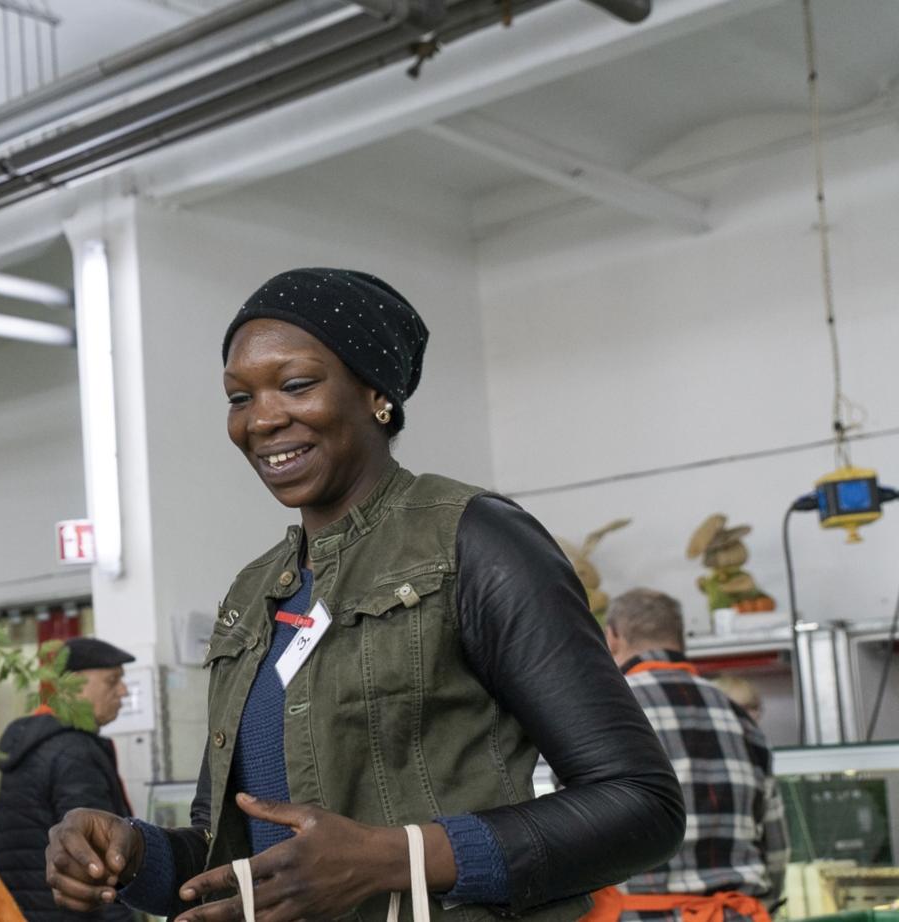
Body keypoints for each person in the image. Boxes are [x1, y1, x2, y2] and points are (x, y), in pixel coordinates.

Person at [44, 268, 685, 922]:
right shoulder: (254, 593)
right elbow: (235, 854)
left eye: (296, 384)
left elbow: (640, 804)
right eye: (239, 397)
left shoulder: (474, 540)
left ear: (377, 392)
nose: (262, 419)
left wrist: (393, 859)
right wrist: (131, 855)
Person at [595, 589, 788, 922]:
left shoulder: (601, 711)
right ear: (680, 638)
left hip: (635, 915)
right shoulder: (740, 717)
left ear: (612, 637)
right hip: (732, 915)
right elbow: (776, 848)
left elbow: (575, 839)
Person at [0, 636, 137, 922]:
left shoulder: (35, 743)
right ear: (73, 685)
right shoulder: (74, 752)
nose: (123, 691)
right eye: (112, 681)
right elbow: (99, 861)